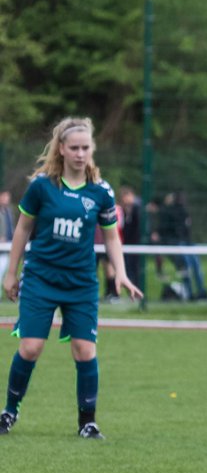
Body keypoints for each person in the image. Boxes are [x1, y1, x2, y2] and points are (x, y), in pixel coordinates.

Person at [0, 117, 143, 440]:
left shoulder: (101, 192)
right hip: (40, 278)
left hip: (80, 282)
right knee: (31, 347)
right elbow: (23, 228)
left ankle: (87, 422)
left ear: (92, 150)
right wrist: (12, 273)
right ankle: (9, 411)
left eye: (86, 147)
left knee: (84, 349)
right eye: (74, 148)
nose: (80, 153)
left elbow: (111, 239)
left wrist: (120, 272)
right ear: (61, 149)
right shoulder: (42, 186)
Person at [117, 186, 142, 289]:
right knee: (128, 267)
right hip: (127, 243)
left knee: (135, 267)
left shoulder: (137, 209)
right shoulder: (123, 210)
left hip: (136, 243)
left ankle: (137, 287)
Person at [0, 190, 14, 282]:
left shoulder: (9, 211)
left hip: (7, 246)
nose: (7, 199)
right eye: (4, 196)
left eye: (8, 197)